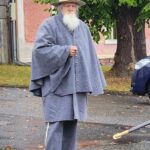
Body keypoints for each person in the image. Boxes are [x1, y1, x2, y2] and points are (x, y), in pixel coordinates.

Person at [29, 0, 106, 149]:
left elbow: (90, 55)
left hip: (76, 89)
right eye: (67, 6)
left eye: (73, 6)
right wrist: (64, 51)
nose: (71, 8)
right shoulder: (49, 25)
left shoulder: (82, 27)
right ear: (60, 7)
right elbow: (39, 51)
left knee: (72, 125)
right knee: (55, 125)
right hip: (56, 87)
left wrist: (93, 81)